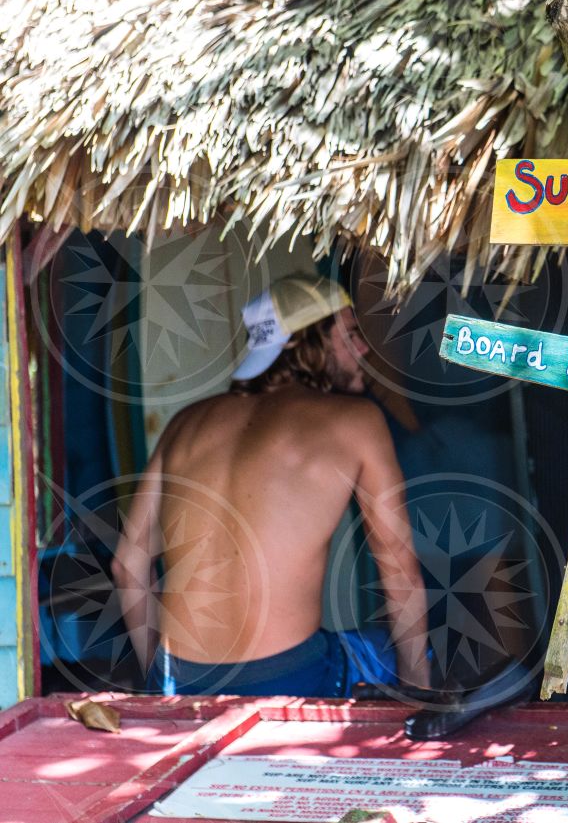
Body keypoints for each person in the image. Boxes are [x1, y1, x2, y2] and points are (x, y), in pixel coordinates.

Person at [113, 274, 431, 696]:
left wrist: (161, 677)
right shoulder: (358, 421)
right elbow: (400, 573)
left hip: (181, 681)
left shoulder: (185, 424)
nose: (364, 349)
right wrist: (421, 695)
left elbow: (127, 565)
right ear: (307, 341)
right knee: (408, 654)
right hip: (292, 677)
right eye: (350, 334)